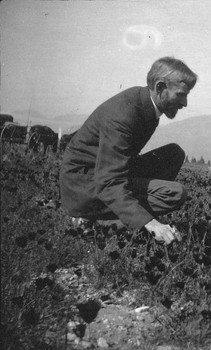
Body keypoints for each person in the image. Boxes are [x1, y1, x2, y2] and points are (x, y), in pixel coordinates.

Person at [60, 57, 197, 245]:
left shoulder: (147, 106)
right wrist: (152, 224)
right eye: (180, 94)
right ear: (159, 87)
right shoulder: (124, 115)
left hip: (99, 175)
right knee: (175, 193)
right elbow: (108, 181)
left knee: (174, 154)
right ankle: (95, 224)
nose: (185, 103)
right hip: (84, 187)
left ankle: (126, 216)